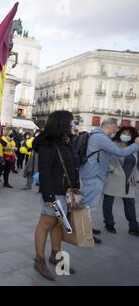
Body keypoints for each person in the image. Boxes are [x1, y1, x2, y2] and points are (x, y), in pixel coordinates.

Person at [32, 110, 80, 281]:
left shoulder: (67, 141)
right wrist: (49, 198)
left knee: (59, 225)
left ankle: (56, 256)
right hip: (54, 193)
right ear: (62, 123)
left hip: (65, 193)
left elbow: (73, 167)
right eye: (71, 122)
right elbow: (45, 172)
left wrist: (76, 189)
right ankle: (39, 260)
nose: (74, 125)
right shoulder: (48, 144)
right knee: (45, 224)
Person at [80, 119, 139, 244]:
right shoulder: (101, 138)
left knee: (89, 205)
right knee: (89, 206)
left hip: (92, 174)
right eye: (115, 128)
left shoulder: (96, 136)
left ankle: (87, 228)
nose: (115, 131)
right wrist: (136, 144)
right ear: (110, 127)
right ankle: (85, 233)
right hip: (94, 175)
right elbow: (120, 153)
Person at [102, 126, 139, 236]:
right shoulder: (112, 144)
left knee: (130, 203)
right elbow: (105, 160)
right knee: (108, 202)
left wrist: (135, 177)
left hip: (129, 180)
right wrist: (113, 170)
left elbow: (135, 164)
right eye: (124, 132)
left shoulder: (134, 147)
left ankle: (133, 226)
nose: (126, 135)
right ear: (120, 133)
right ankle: (109, 223)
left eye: (129, 133)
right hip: (113, 178)